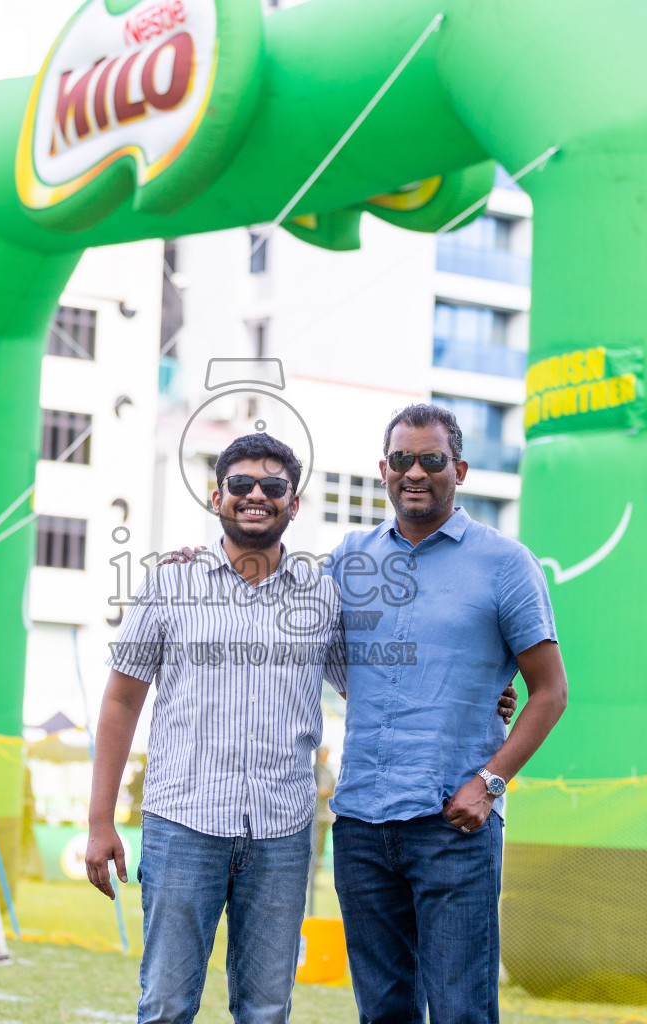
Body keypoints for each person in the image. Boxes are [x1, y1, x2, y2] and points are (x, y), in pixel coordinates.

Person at [87, 433, 348, 1024]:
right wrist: (100, 820)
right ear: (216, 497)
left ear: (294, 503)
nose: (256, 495)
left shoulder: (322, 595)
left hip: (282, 834)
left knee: (265, 1010)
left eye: (273, 486)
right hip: (183, 825)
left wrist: (486, 694)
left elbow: (373, 689)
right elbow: (122, 700)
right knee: (166, 1006)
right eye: (241, 484)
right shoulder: (168, 583)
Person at [327, 404, 568, 1024]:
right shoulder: (348, 559)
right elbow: (307, 643)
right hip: (361, 825)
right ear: (383, 470)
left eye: (431, 460)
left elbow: (549, 692)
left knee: (462, 1011)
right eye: (402, 459)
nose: (415, 472)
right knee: (383, 1012)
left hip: (453, 827)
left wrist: (490, 784)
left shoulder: (507, 563)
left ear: (458, 469)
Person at [309, 745, 334, 915]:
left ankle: (315, 877)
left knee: (319, 848)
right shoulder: (311, 769)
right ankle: (308, 877)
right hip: (312, 816)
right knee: (310, 847)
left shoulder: (328, 773)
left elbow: (332, 790)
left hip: (323, 816)